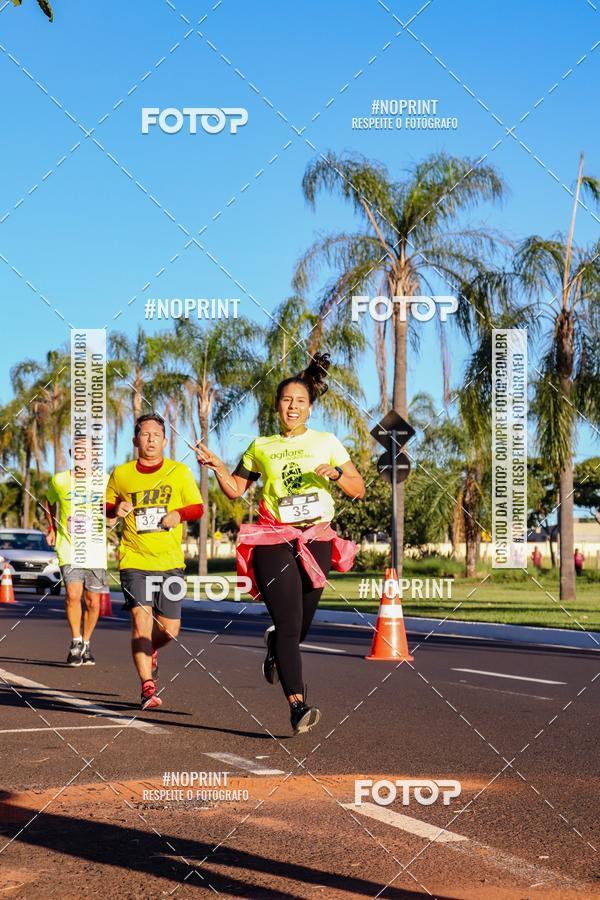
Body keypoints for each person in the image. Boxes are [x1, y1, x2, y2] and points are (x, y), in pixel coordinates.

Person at [195, 353, 365, 735]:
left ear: (309, 408)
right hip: (273, 540)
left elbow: (358, 488)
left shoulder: (327, 442)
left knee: (299, 627)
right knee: (289, 625)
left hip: (316, 538)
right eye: (287, 400)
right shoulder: (261, 445)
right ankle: (297, 705)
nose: (293, 406)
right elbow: (237, 489)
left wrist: (336, 473)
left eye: (300, 401)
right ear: (277, 405)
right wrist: (220, 467)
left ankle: (274, 647)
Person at [105, 413, 204, 709]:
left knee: (170, 630)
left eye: (156, 435)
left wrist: (178, 515)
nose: (150, 439)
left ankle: (151, 652)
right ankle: (148, 687)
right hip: (134, 559)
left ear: (165, 440)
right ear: (136, 440)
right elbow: (106, 506)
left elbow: (197, 506)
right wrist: (115, 508)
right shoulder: (121, 474)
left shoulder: (179, 472)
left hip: (171, 562)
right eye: (145, 434)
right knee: (140, 623)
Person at [44, 451, 109, 667]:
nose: (83, 457)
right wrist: (51, 527)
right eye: (78, 452)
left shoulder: (105, 480)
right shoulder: (60, 480)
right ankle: (75, 641)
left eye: (88, 452)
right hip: (68, 546)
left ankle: (87, 642)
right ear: (73, 454)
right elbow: (48, 500)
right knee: (73, 595)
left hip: (96, 549)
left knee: (93, 601)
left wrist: (114, 517)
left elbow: (114, 504)